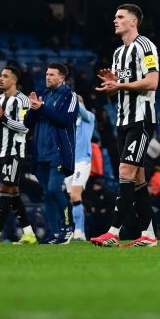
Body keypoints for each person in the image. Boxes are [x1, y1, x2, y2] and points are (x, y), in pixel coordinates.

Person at [91, 4, 160, 247]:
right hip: (122, 120)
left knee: (125, 171)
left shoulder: (146, 46)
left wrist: (120, 85)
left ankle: (113, 231)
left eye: (120, 17)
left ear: (134, 22)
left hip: (142, 119)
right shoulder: (118, 53)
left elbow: (152, 82)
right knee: (138, 178)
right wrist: (113, 84)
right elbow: (122, 89)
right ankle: (149, 234)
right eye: (114, 16)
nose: (115, 20)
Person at [0, 66, 37, 245]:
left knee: (5, 188)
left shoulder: (23, 101)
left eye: (5, 76)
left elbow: (25, 127)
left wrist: (2, 118)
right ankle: (29, 233)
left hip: (15, 151)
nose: (0, 79)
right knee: (12, 192)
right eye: (0, 76)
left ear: (14, 80)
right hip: (1, 151)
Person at [24, 63, 77, 245]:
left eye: (52, 75)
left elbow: (66, 120)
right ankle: (54, 232)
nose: (47, 77)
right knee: (47, 194)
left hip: (59, 153)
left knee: (55, 189)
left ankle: (68, 227)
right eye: (46, 74)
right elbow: (26, 123)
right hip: (41, 153)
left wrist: (42, 109)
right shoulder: (43, 95)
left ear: (62, 78)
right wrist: (33, 108)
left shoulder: (70, 96)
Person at [64, 95, 95, 240]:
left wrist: (73, 99)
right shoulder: (69, 123)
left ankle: (77, 231)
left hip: (83, 162)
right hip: (69, 164)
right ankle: (81, 232)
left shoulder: (89, 118)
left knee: (75, 194)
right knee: (73, 198)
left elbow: (81, 111)